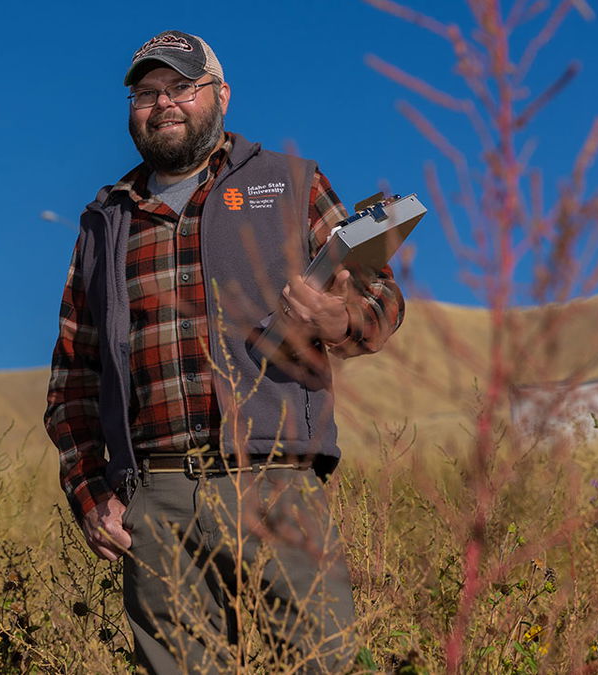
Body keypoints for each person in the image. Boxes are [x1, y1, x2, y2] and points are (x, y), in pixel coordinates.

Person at [45, 31, 404, 674]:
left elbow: (381, 299)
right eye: (146, 93)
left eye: (182, 87)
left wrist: (340, 316)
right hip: (156, 500)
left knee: (325, 664)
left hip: (277, 483)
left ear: (221, 96)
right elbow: (74, 375)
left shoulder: (291, 183)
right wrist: (91, 491)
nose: (164, 104)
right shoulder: (104, 220)